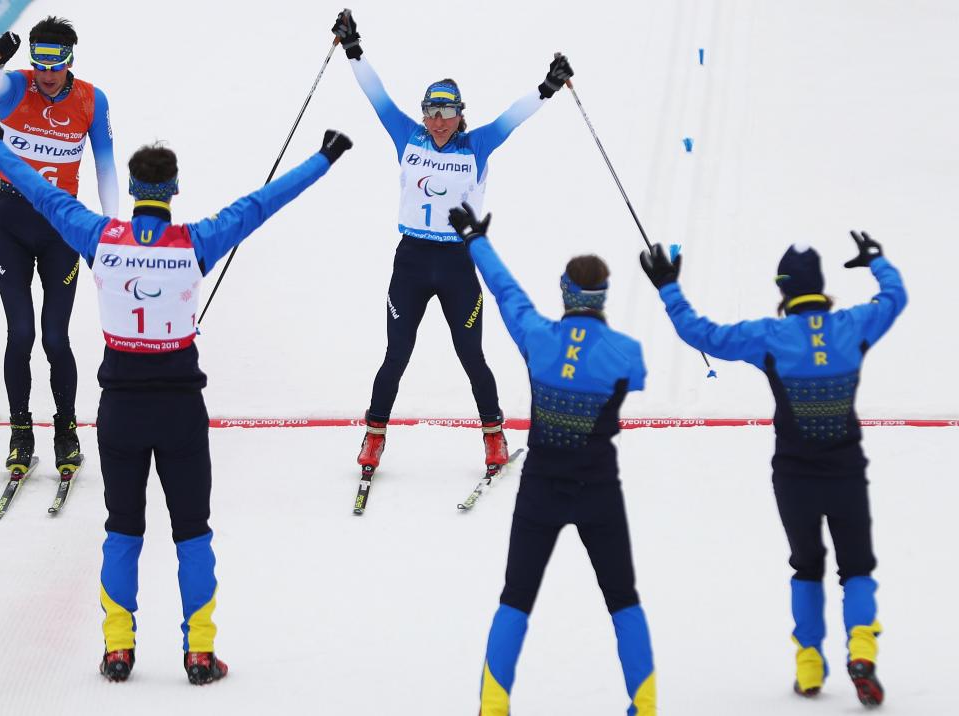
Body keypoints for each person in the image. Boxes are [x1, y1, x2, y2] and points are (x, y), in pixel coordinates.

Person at [0, 117, 352, 684]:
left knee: (123, 528)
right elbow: (261, 204)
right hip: (180, 412)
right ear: (173, 190)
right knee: (192, 530)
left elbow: (42, 193)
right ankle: (199, 652)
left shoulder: (100, 237)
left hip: (120, 410)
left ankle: (117, 650)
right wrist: (323, 159)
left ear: (131, 190)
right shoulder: (195, 241)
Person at [639, 232, 906, 706]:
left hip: (794, 477)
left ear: (783, 291)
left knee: (806, 565)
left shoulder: (769, 336)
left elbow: (701, 333)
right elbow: (895, 297)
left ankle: (808, 667)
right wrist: (877, 262)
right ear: (819, 286)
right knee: (857, 567)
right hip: (846, 471)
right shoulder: (855, 325)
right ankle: (861, 652)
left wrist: (668, 286)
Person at [330, 9, 574, 473]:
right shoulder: (408, 136)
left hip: (459, 263)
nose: (438, 121)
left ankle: (494, 436)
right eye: (431, 111)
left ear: (461, 115)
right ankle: (374, 437)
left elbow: (512, 119)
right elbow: (375, 95)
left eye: (446, 112)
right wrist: (353, 48)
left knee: (470, 355)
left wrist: (547, 88)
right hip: (413, 260)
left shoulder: (476, 145)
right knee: (396, 354)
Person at [449, 204, 657, 716]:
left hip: (541, 487)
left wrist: (476, 240)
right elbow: (632, 379)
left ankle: (493, 707)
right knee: (623, 598)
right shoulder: (627, 352)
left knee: (516, 596)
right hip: (599, 490)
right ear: (602, 297)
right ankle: (645, 707)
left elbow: (505, 290)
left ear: (564, 293)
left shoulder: (537, 337)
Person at [0, 17, 119, 474]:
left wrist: (110, 229)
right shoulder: (16, 86)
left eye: (54, 63)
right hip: (12, 221)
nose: (45, 72)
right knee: (20, 334)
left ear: (69, 61)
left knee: (56, 337)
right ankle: (20, 430)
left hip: (63, 226)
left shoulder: (90, 100)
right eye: (38, 61)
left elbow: (105, 169)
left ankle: (66, 428)